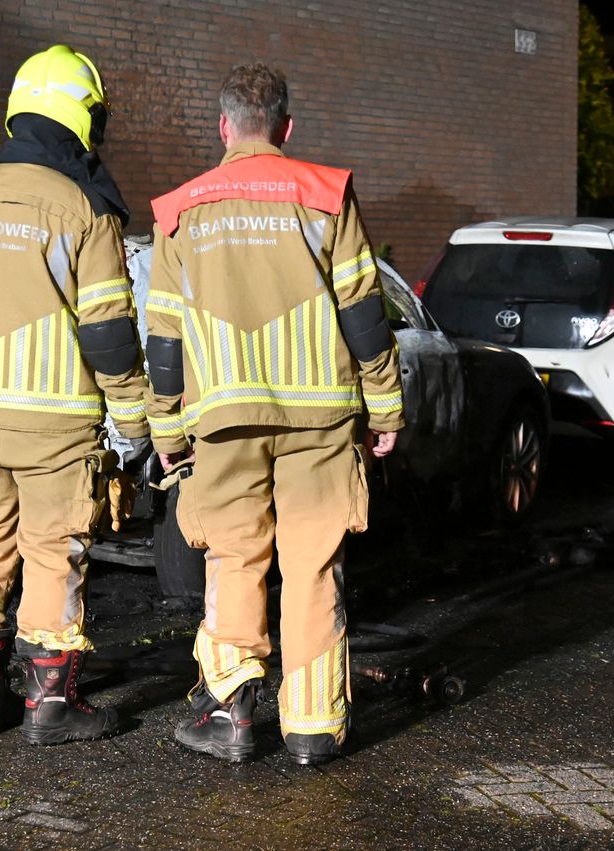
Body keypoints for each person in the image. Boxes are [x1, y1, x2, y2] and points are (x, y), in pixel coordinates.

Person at [144, 63, 404, 764]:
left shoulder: (181, 210)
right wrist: (385, 406)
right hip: (320, 418)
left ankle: (228, 714)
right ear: (286, 129)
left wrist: (165, 427)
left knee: (234, 557)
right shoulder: (326, 195)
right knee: (314, 565)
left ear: (224, 127)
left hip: (224, 419)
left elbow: (164, 337)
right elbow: (363, 314)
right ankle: (314, 728)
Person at [0, 45, 151, 745]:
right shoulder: (84, 208)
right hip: (60, 427)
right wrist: (133, 428)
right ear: (83, 118)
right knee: (53, 552)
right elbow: (109, 337)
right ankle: (50, 703)